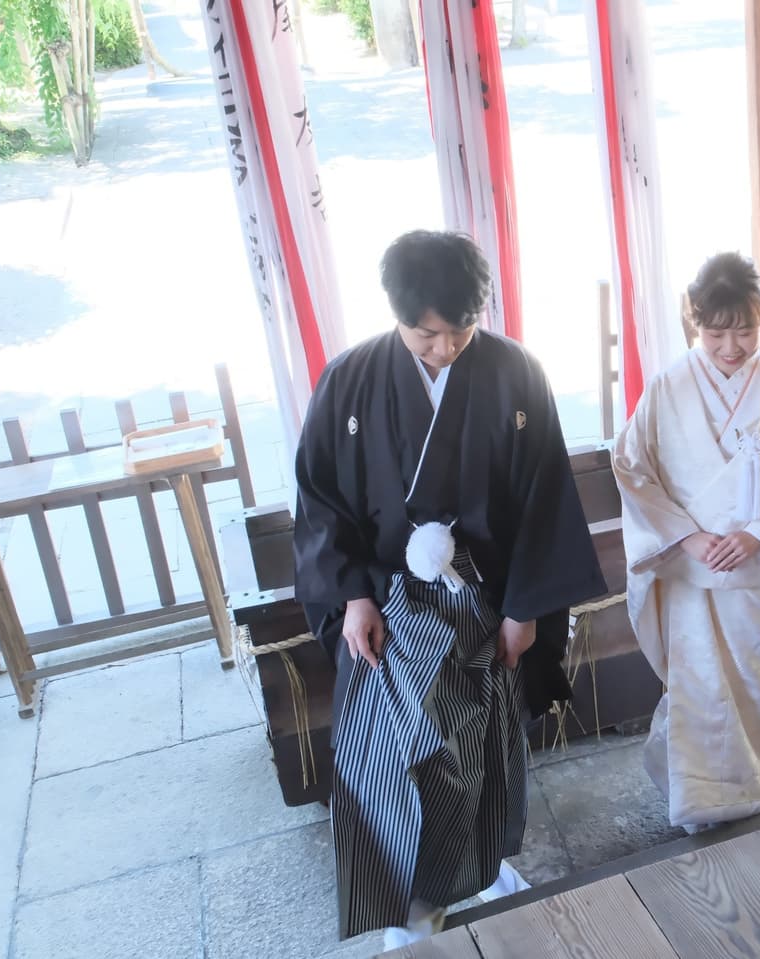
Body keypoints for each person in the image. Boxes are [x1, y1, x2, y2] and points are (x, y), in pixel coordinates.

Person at [293, 230, 606, 947]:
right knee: (399, 761)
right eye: (427, 335)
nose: (446, 349)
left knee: (484, 749)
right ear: (397, 315)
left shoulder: (516, 372)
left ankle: (488, 864)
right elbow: (320, 499)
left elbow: (544, 497)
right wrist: (353, 597)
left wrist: (527, 607)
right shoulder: (349, 380)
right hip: (389, 607)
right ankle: (414, 908)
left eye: (462, 329)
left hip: (486, 602)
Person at [612, 252, 760, 831]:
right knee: (701, 690)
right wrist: (687, 537)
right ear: (696, 323)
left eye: (745, 330)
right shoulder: (667, 388)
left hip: (756, 570)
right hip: (695, 572)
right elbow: (632, 467)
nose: (732, 347)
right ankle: (699, 802)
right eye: (716, 332)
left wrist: (759, 534)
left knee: (759, 684)